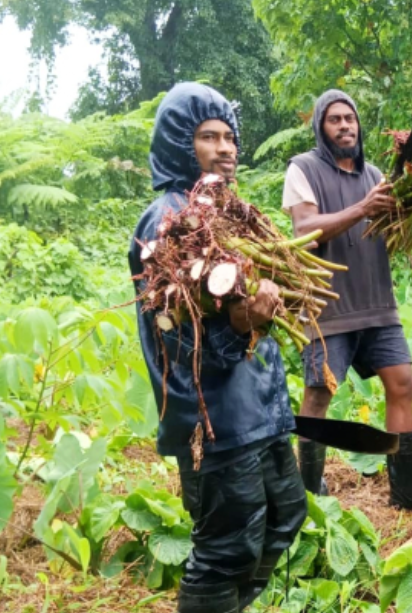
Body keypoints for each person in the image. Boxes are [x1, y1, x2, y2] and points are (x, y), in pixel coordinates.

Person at [128, 83, 306, 612]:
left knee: (286, 514)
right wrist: (239, 325)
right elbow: (179, 339)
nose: (226, 148)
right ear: (182, 145)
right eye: (210, 137)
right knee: (226, 548)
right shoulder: (166, 222)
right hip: (215, 417)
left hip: (259, 406)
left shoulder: (229, 212)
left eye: (230, 136)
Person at [282, 89, 412, 516]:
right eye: (334, 120)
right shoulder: (303, 169)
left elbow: (392, 229)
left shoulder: (376, 174)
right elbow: (305, 227)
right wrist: (363, 208)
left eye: (350, 118)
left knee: (403, 384)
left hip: (378, 303)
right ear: (321, 128)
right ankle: (307, 495)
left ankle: (407, 493)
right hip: (328, 307)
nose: (345, 126)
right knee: (319, 394)